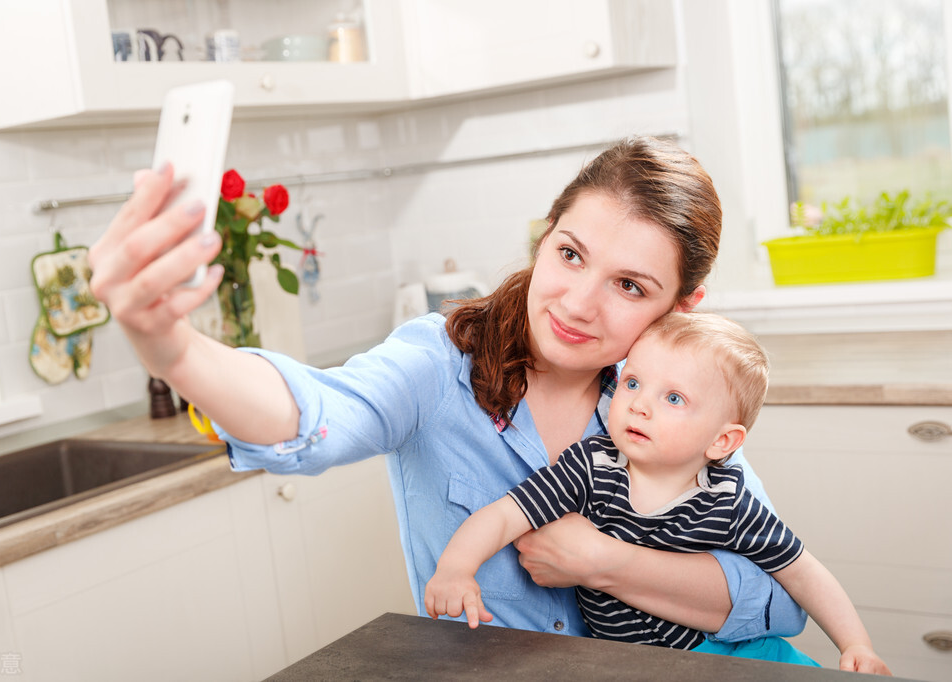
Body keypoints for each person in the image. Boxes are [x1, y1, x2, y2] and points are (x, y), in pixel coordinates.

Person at [88, 136, 807, 658]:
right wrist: (171, 346)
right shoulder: (438, 363)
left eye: (628, 286)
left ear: (681, 307)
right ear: (543, 239)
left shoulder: (671, 399)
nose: (578, 304)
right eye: (569, 254)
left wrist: (599, 562)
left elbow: (775, 598)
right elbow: (312, 416)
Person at [425, 312, 891, 675]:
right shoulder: (591, 467)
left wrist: (857, 645)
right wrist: (456, 570)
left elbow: (803, 573)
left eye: (673, 399)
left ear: (722, 442)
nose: (639, 404)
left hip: (734, 652)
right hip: (630, 664)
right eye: (632, 382)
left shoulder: (728, 502)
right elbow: (505, 515)